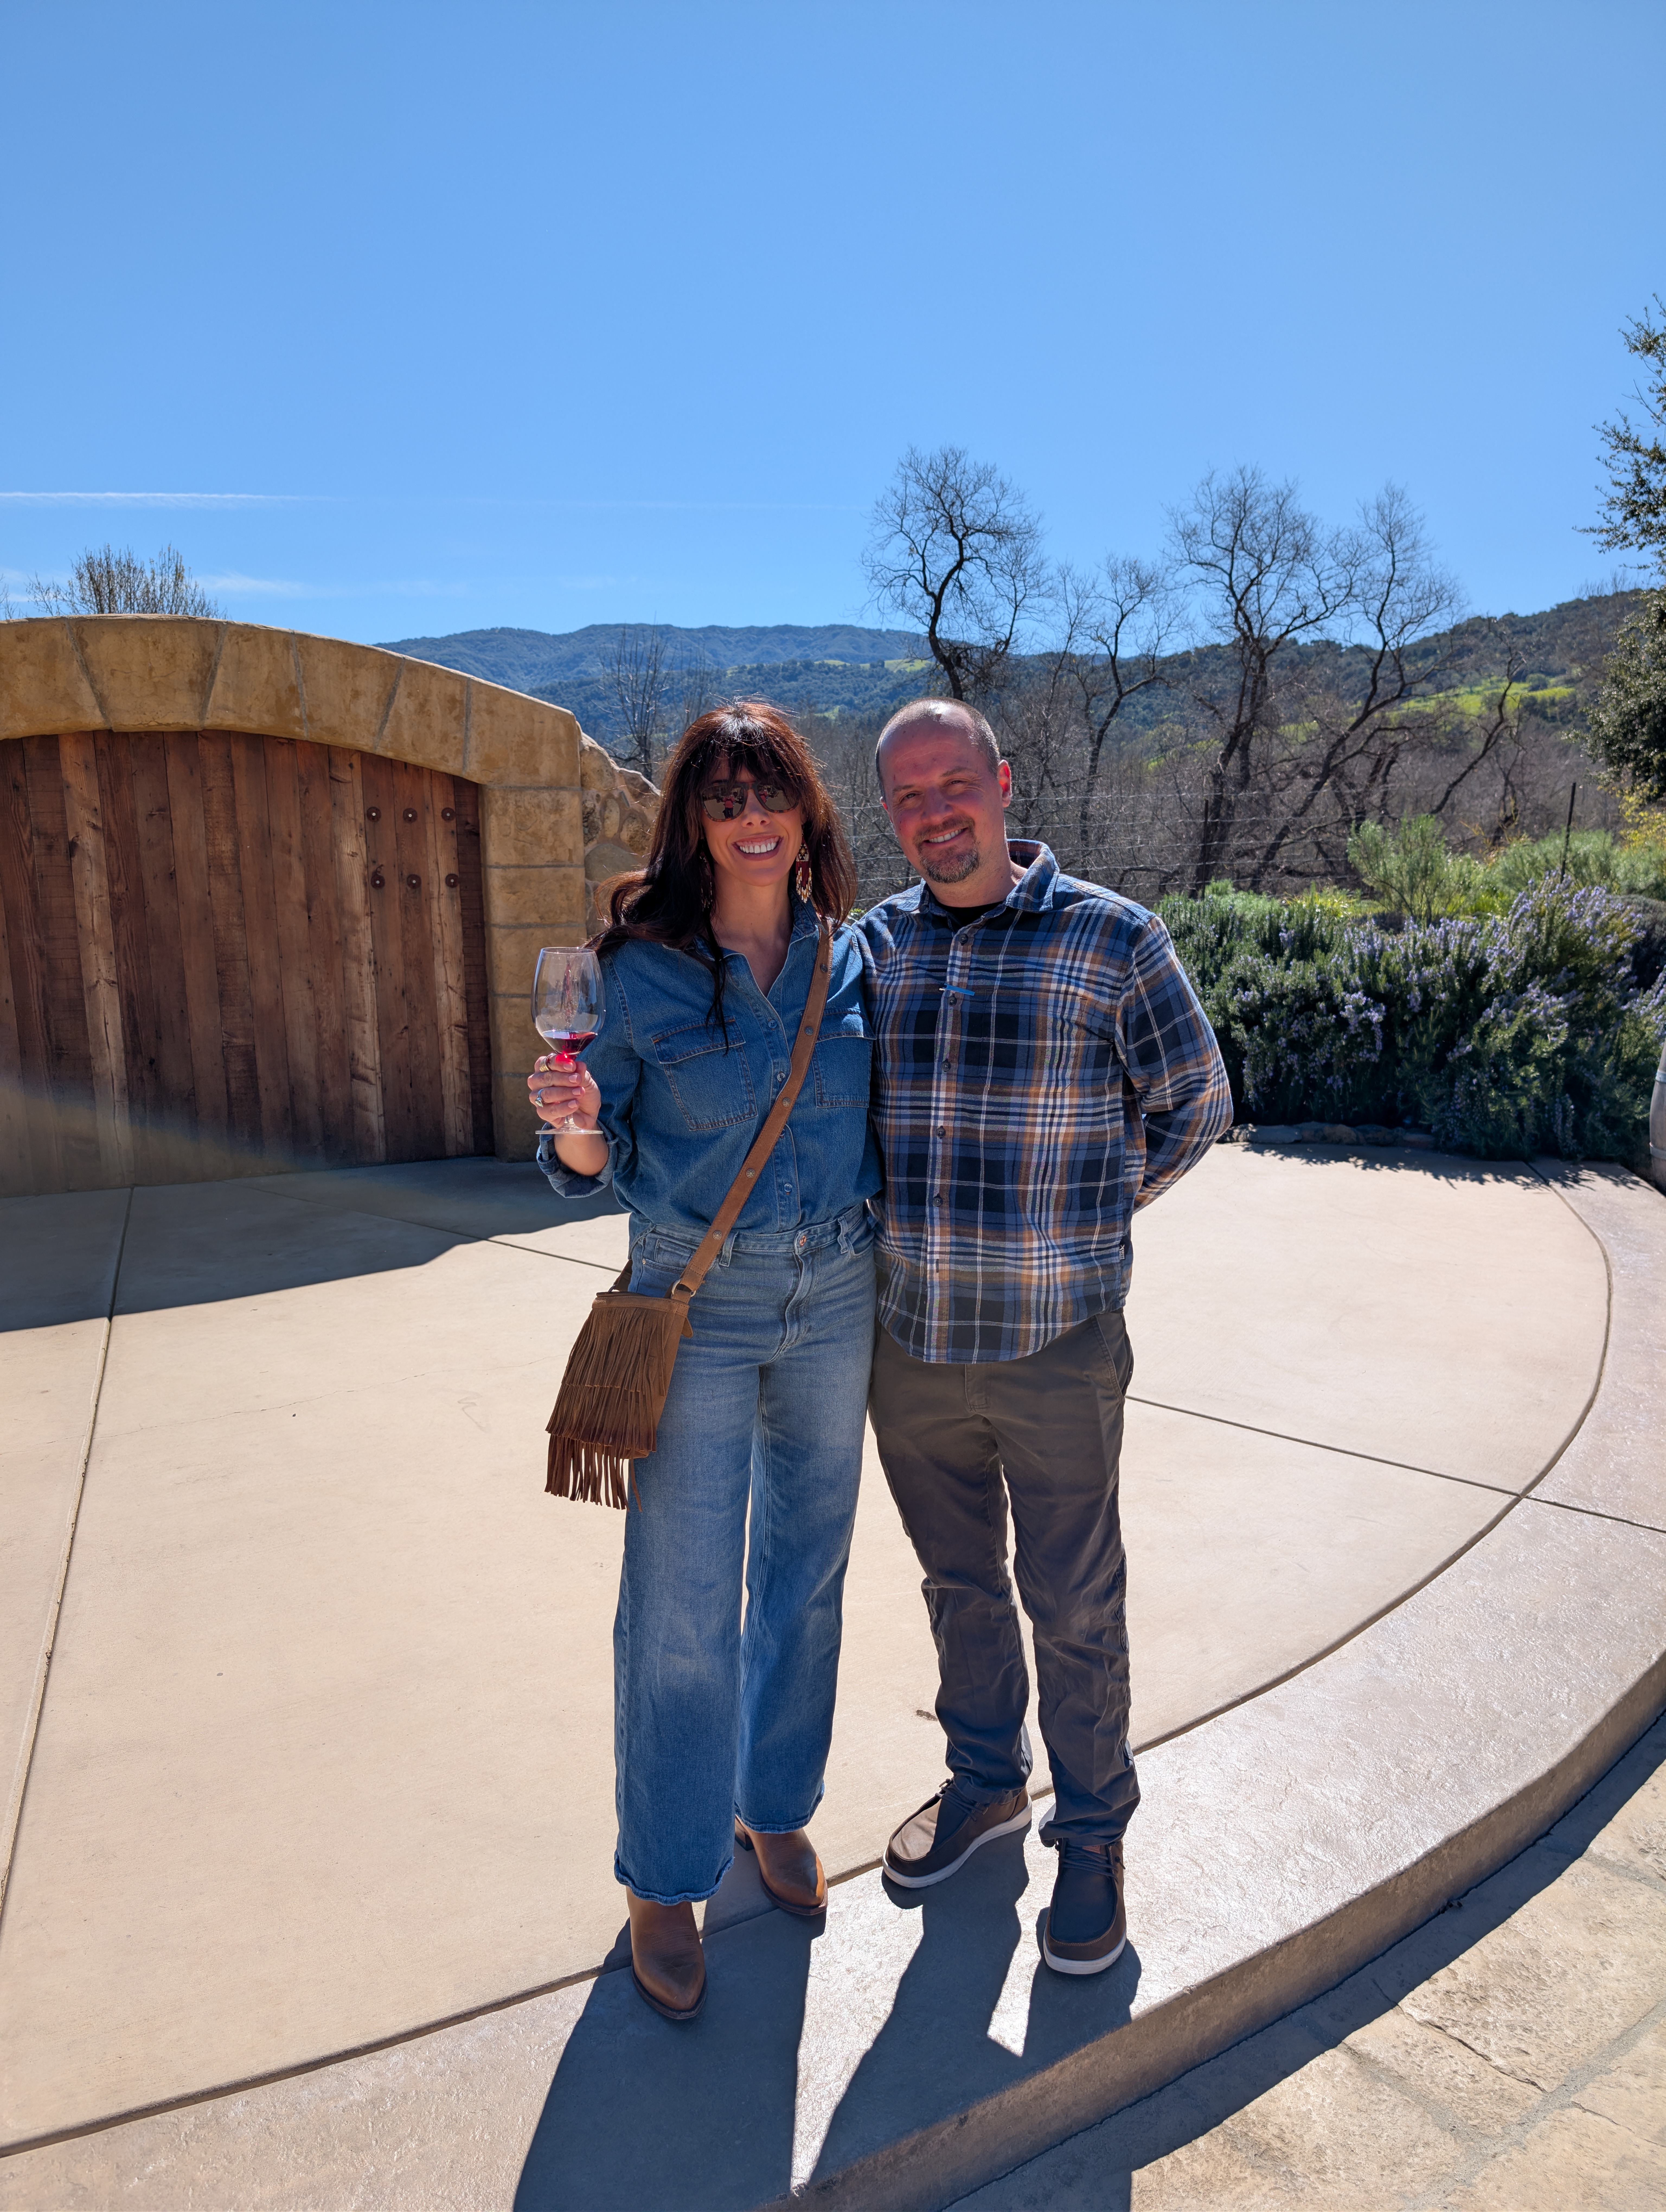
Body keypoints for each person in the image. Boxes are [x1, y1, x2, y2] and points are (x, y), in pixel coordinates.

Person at [856, 698, 1231, 1975]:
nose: (934, 814)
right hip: (907, 1348)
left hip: (1060, 1343)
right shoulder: (877, 949)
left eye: (953, 783)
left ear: (1003, 782)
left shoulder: (1113, 938)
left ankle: (1094, 1830)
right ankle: (984, 1782)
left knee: (1074, 1598)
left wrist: (1089, 1219)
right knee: (959, 1588)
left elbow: (1197, 1100)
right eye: (907, 798)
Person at [530, 703, 880, 2023]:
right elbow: (585, 1160)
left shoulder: (853, 959)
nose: (750, 815)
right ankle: (665, 1875)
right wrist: (570, 1129)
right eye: (724, 794)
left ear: (806, 815)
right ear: (691, 819)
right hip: (700, 1305)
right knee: (681, 1605)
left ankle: (774, 1806)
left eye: (771, 791)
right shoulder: (638, 971)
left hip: (840, 1291)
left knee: (809, 1571)